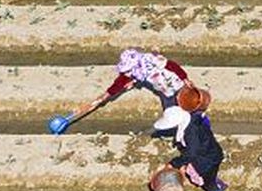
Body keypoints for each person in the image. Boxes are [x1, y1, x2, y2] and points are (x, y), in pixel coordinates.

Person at [61, 48, 194, 132]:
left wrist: (185, 78)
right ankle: (174, 127)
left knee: (187, 102)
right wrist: (106, 95)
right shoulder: (132, 72)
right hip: (163, 89)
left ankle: (192, 122)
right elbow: (119, 84)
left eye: (129, 70)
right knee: (169, 108)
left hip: (175, 82)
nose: (128, 73)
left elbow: (172, 65)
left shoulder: (152, 60)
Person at [159, 84, 227, 191]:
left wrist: (175, 163)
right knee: (210, 173)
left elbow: (192, 153)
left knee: (208, 183)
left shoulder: (190, 132)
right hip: (212, 151)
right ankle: (216, 181)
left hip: (207, 159)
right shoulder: (196, 117)